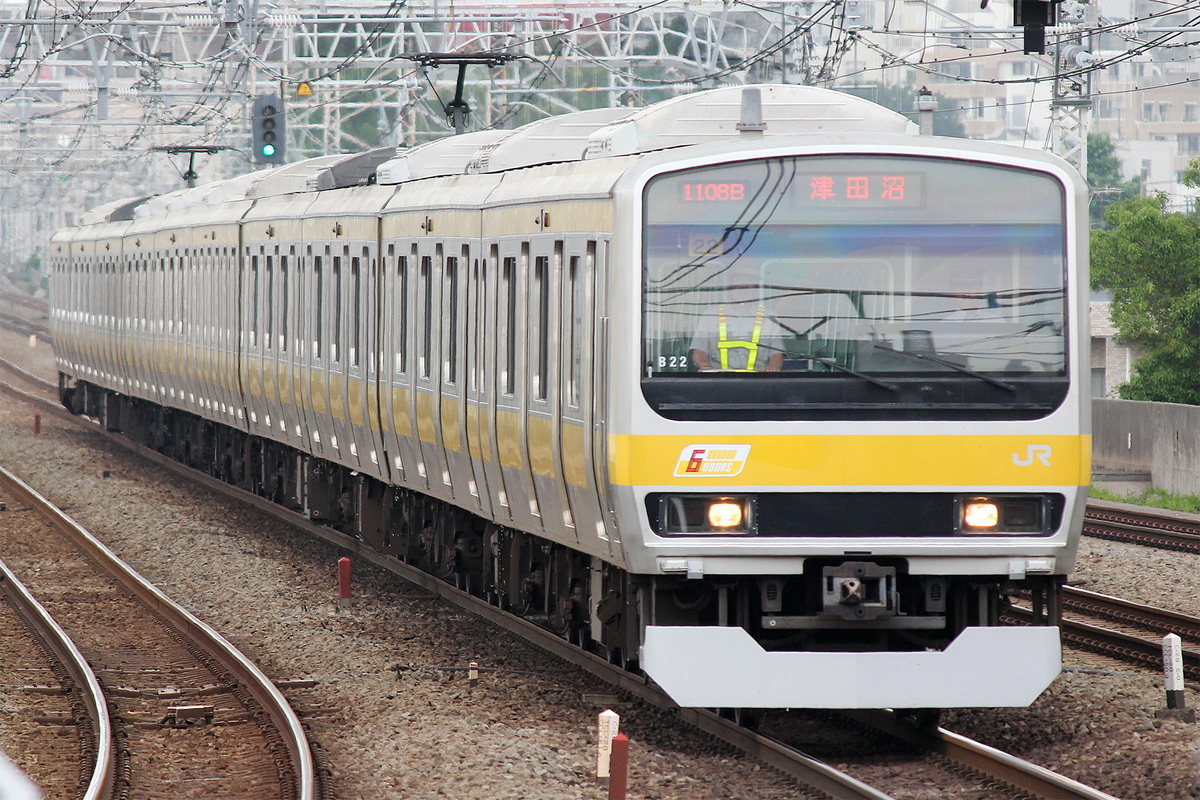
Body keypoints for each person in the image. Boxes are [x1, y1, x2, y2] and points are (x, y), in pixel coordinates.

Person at [689, 266, 785, 372]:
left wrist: (773, 366)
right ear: (728, 287)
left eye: (749, 283)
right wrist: (705, 366)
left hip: (758, 378)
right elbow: (699, 350)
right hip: (718, 378)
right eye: (738, 282)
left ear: (756, 289)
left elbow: (777, 352)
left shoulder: (769, 316)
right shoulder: (710, 315)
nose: (743, 288)